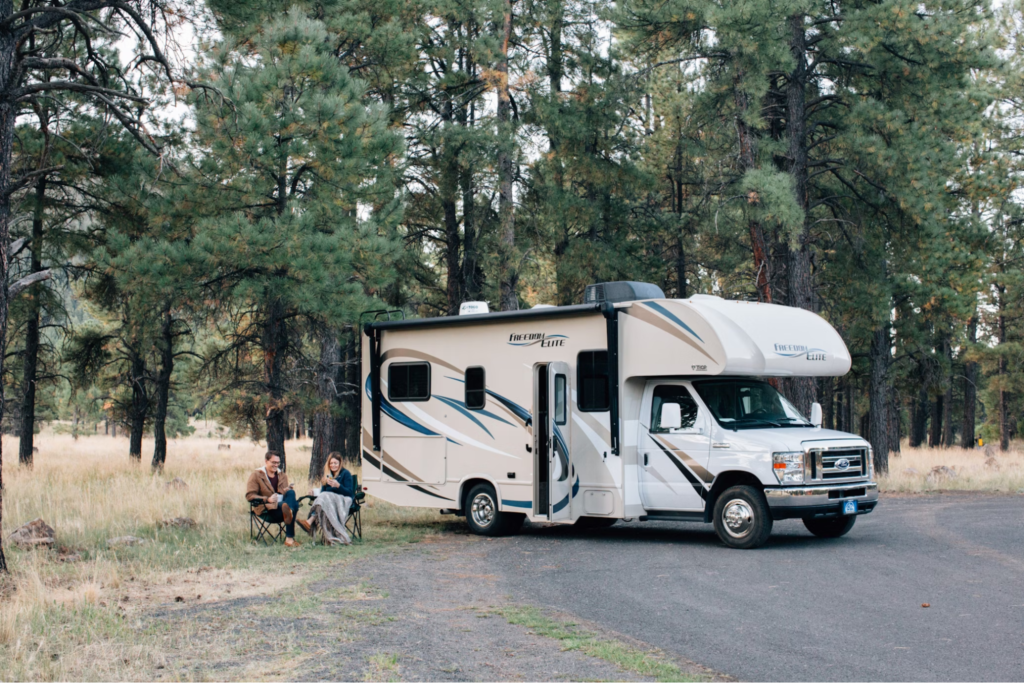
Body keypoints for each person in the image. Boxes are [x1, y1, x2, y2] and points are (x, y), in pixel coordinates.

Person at [246, 451, 303, 547]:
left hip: (282, 510)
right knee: (293, 505)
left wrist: (285, 490)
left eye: (278, 463)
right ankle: (289, 538)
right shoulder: (256, 475)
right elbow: (250, 495)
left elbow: (282, 494)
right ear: (266, 461)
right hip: (267, 510)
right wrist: (267, 499)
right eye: (273, 462)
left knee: (291, 493)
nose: (276, 465)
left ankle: (289, 512)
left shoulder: (282, 475)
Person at [304, 452, 355, 545]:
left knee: (326, 496)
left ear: (340, 463)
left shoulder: (345, 474)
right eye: (331, 463)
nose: (333, 465)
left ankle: (310, 521)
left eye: (335, 463)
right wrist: (314, 492)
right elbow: (323, 492)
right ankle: (327, 535)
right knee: (324, 497)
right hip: (329, 501)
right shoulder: (327, 475)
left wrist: (338, 486)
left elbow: (349, 492)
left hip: (343, 499)